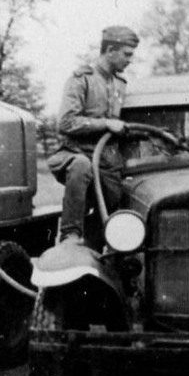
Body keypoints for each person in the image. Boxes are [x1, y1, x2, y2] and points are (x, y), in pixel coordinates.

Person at [49, 25, 140, 248]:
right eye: (127, 54)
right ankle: (70, 235)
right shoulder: (82, 80)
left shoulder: (121, 84)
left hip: (108, 163)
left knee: (115, 203)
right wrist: (106, 123)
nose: (130, 60)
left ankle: (96, 250)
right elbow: (66, 122)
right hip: (75, 154)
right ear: (110, 51)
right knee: (81, 166)